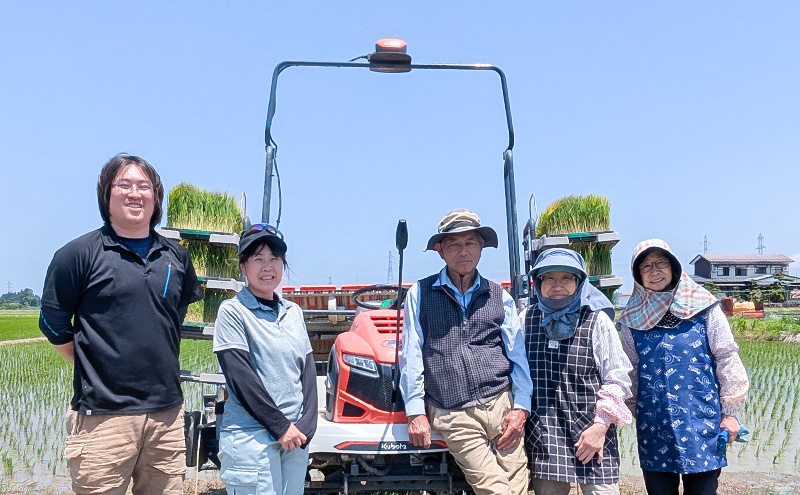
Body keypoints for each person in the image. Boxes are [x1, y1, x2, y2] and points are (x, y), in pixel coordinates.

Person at [39, 154, 203, 495]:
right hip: (103, 419)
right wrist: (90, 363)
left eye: (144, 186)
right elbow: (52, 324)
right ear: (106, 194)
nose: (135, 193)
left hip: (167, 416)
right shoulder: (78, 254)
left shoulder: (176, 257)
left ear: (156, 196)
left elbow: (173, 318)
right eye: (124, 185)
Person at [399, 209, 533, 495]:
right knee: (496, 490)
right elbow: (411, 354)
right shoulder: (420, 293)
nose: (463, 251)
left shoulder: (499, 296)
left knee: (518, 487)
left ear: (481, 247)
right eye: (454, 244)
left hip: (501, 405)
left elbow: (517, 356)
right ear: (440, 250)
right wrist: (415, 411)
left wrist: (521, 406)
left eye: (470, 242)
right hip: (453, 411)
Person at [617, 239, 750, 495]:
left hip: (702, 422)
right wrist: (630, 409)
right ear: (637, 275)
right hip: (654, 425)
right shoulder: (632, 320)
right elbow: (630, 370)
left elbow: (727, 358)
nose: (654, 271)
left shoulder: (705, 308)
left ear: (674, 267)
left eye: (661, 264)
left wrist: (730, 413)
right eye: (645, 267)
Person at [213, 224, 317, 495]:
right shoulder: (233, 311)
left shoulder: (293, 312)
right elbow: (241, 378)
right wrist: (281, 427)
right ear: (243, 266)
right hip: (252, 436)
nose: (267, 267)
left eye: (274, 259)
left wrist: (307, 424)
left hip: (295, 437)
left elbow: (307, 371)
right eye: (257, 259)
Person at [522, 248, 633, 495]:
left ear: (579, 282)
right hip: (545, 435)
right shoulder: (525, 320)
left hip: (592, 431)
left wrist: (600, 426)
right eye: (549, 278)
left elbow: (617, 377)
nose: (557, 285)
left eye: (566, 278)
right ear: (538, 283)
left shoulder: (596, 321)